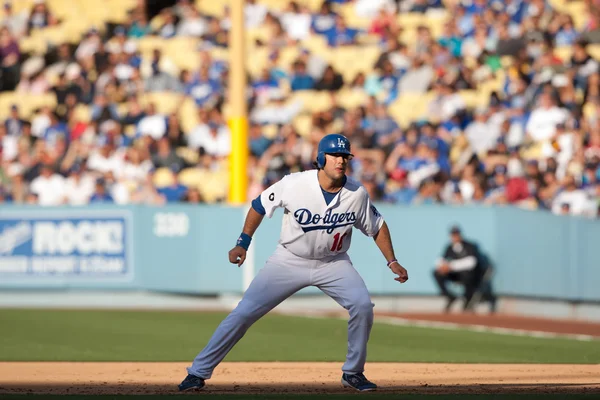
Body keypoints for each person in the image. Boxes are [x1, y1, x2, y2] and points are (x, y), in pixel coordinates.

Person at [178, 133, 409, 392]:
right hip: (289, 260)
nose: (341, 161)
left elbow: (377, 226)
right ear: (321, 158)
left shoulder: (356, 193)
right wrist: (243, 242)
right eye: (335, 155)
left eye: (345, 156)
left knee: (362, 306)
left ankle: (353, 372)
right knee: (244, 313)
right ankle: (198, 372)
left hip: (334, 264)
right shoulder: (295, 184)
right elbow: (259, 205)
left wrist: (392, 261)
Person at [433, 225, 481, 312]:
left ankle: (467, 301)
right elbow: (441, 259)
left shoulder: (469, 246)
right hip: (455, 275)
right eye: (453, 235)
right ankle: (449, 296)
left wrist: (451, 266)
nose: (455, 237)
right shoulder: (449, 247)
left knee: (468, 275)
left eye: (456, 234)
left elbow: (471, 262)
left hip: (469, 276)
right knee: (436, 273)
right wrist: (442, 266)